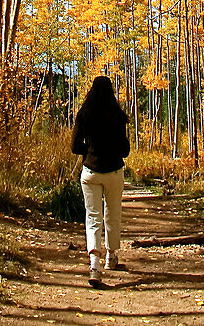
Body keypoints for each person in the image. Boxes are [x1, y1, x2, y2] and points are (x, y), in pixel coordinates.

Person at [71, 75, 130, 288]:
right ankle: (111, 256)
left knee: (93, 217)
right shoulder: (118, 116)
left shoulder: (84, 115)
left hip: (90, 172)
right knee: (113, 214)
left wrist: (89, 151)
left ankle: (94, 265)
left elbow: (74, 146)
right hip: (114, 171)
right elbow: (125, 150)